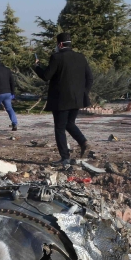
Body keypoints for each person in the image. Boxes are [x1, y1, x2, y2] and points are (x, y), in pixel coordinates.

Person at [34, 32, 92, 167]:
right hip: (77, 99)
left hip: (61, 100)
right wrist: (83, 93)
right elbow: (89, 78)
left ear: (60, 44)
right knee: (69, 123)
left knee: (60, 128)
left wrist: (37, 67)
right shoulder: (80, 57)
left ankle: (65, 158)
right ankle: (83, 142)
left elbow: (47, 76)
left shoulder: (56, 57)